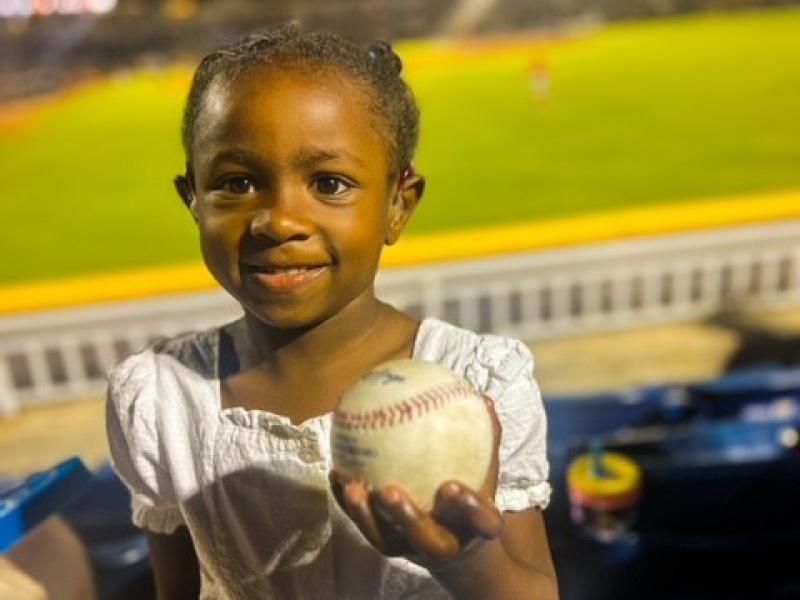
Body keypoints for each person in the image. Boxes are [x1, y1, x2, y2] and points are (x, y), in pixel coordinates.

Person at [106, 24, 557, 599]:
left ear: (398, 204)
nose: (280, 221)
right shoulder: (160, 400)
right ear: (193, 199)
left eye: (330, 183)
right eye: (237, 183)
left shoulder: (479, 382)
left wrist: (468, 560)